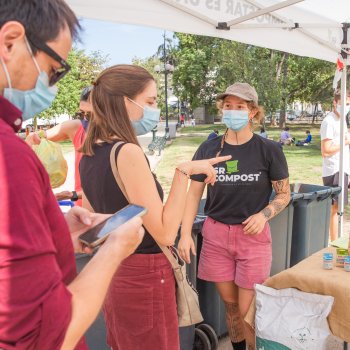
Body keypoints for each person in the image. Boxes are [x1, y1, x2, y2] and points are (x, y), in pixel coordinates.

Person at [0, 2, 145, 349]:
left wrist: (55, 232)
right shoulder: (9, 159)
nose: (51, 83)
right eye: (54, 68)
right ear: (10, 42)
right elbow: (42, 339)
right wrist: (116, 247)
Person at [79, 64, 230, 350]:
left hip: (115, 267)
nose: (155, 108)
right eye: (150, 101)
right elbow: (164, 232)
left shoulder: (88, 153)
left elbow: (96, 223)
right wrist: (183, 172)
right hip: (144, 273)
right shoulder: (127, 151)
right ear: (126, 102)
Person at [178, 82, 290, 350]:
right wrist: (184, 234)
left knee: (247, 309)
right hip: (216, 236)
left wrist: (263, 215)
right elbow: (193, 194)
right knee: (230, 306)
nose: (233, 111)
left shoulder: (269, 150)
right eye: (228, 106)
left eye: (240, 106)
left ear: (253, 112)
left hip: (252, 237)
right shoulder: (208, 149)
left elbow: (284, 194)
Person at [26, 86, 92, 206]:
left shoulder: (116, 138)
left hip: (109, 212)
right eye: (83, 114)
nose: (86, 119)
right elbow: (38, 137)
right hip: (82, 208)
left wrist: (73, 195)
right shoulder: (77, 127)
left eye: (91, 114)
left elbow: (109, 186)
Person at [320, 90, 350, 241]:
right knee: (335, 208)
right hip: (334, 170)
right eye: (344, 103)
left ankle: (338, 240)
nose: (346, 107)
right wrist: (345, 142)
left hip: (343, 169)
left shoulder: (342, 120)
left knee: (340, 208)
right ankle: (335, 243)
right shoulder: (329, 121)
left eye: (349, 104)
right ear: (335, 102)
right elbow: (325, 151)